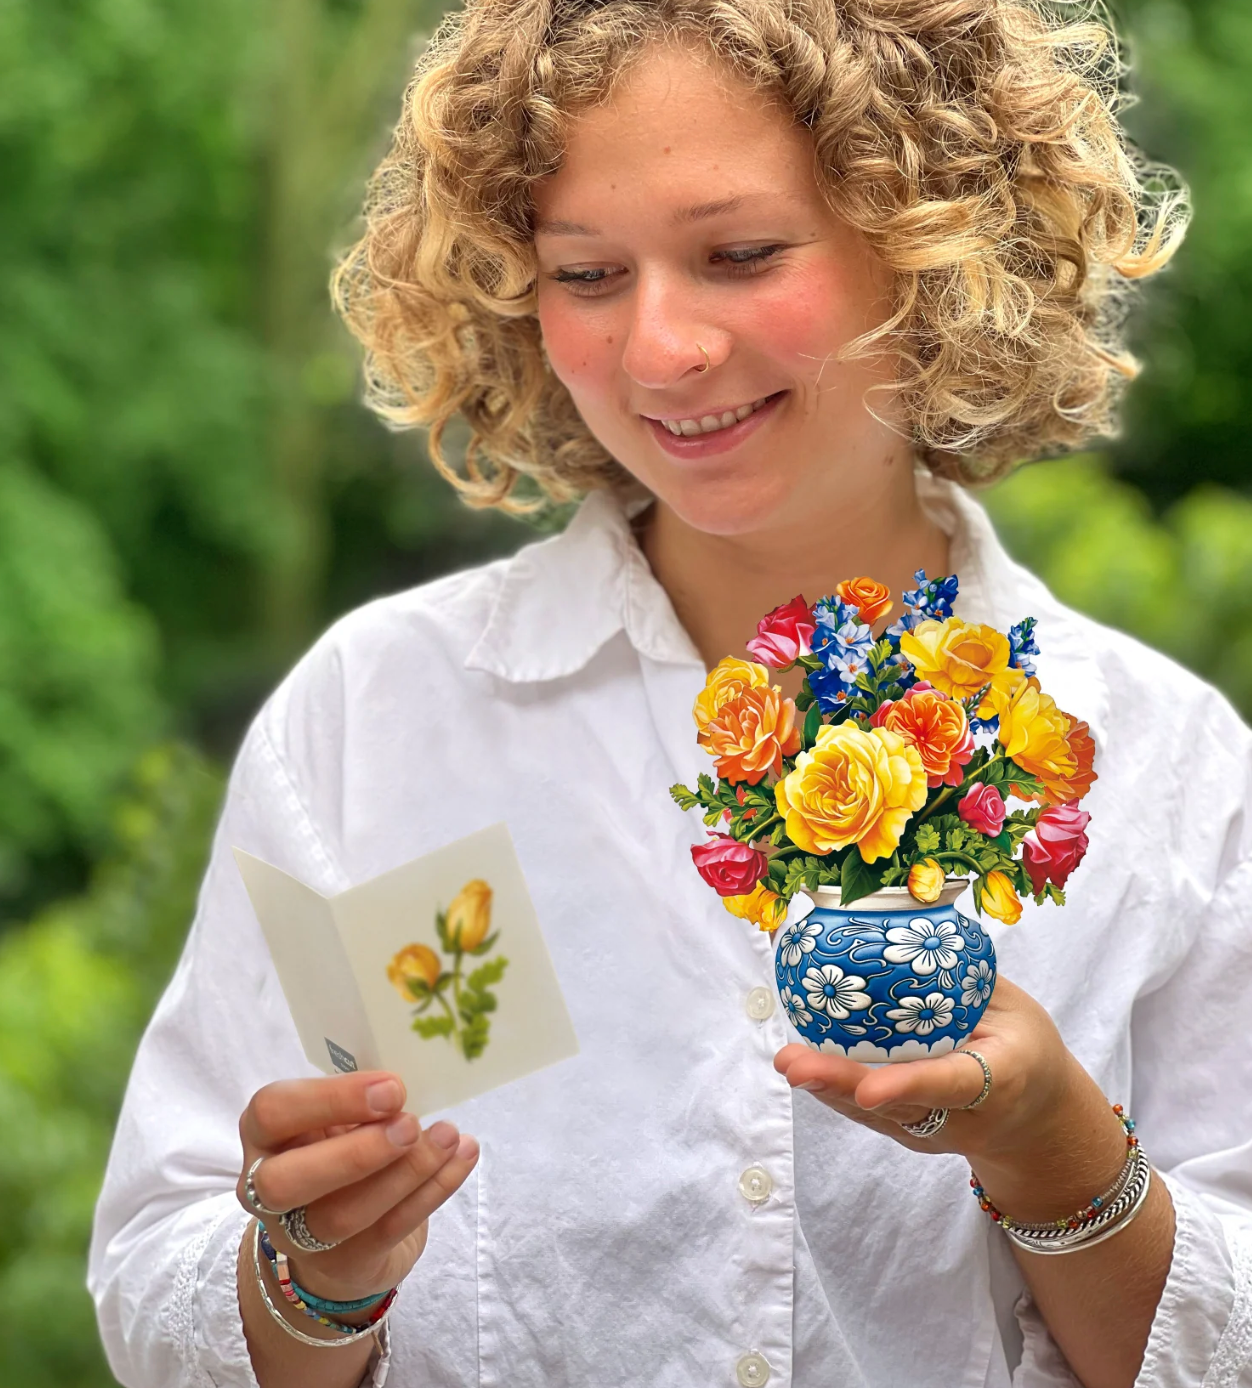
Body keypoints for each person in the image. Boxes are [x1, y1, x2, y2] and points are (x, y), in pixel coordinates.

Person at [88, 1, 1252, 1386]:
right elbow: (157, 1277)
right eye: (586, 274)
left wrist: (1068, 1169)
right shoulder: (379, 715)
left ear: (935, 238)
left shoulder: (1168, 769)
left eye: (741, 255)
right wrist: (310, 1280)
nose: (659, 349)